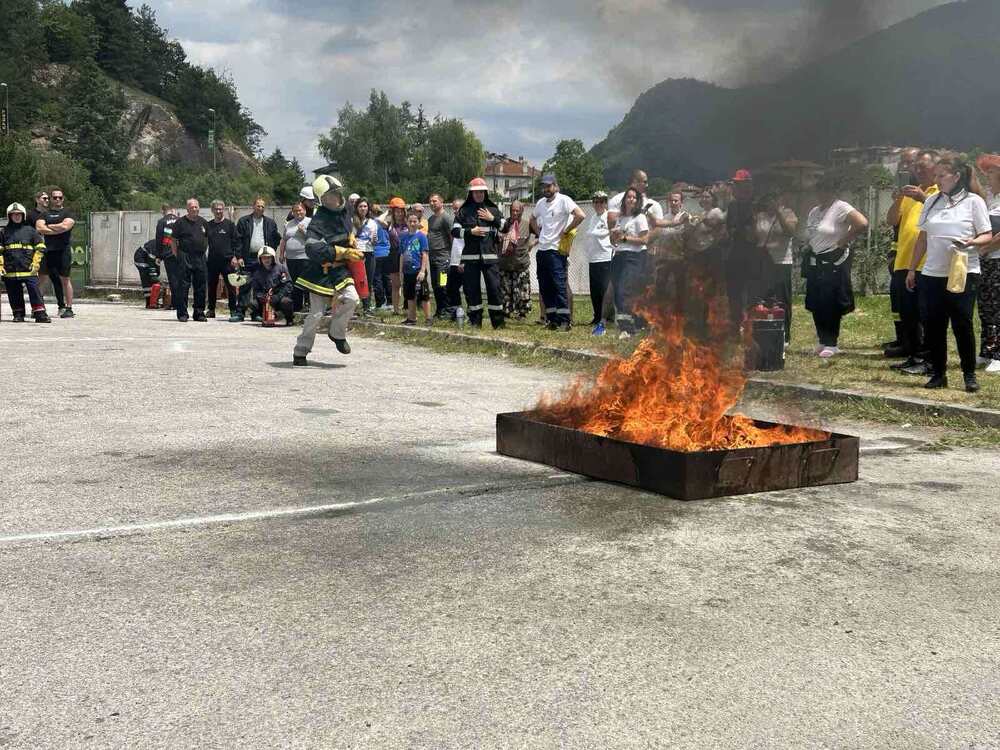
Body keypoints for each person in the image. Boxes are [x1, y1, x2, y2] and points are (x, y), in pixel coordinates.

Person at [907, 156, 992, 392]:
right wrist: (913, 269)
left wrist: (970, 242)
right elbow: (922, 238)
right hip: (932, 272)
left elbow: (986, 234)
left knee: (962, 323)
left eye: (941, 175)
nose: (937, 180)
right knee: (934, 325)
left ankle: (969, 375)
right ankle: (938, 374)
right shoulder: (932, 201)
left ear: (956, 176)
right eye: (936, 175)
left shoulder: (974, 201)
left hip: (963, 270)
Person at [292, 176, 362, 366]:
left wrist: (351, 238)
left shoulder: (345, 210)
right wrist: (342, 251)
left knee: (353, 299)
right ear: (323, 199)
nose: (335, 198)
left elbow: (348, 228)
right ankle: (301, 350)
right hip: (321, 271)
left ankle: (337, 333)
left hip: (340, 271)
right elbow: (312, 249)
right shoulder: (318, 221)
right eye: (330, 195)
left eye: (337, 193)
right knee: (316, 314)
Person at [886, 150, 939, 373]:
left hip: (926, 262)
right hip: (903, 262)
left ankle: (927, 359)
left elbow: (947, 216)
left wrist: (923, 198)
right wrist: (900, 196)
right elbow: (891, 220)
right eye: (915, 167)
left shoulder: (940, 193)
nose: (917, 170)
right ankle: (913, 354)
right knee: (908, 313)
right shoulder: (909, 194)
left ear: (936, 169)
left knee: (925, 315)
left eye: (923, 166)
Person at [804, 176, 869, 358]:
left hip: (833, 258)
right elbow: (812, 233)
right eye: (819, 190)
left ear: (833, 191)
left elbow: (862, 223)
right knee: (816, 301)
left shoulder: (841, 207)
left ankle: (832, 342)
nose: (821, 194)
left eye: (825, 190)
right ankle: (822, 340)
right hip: (815, 259)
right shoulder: (815, 211)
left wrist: (844, 240)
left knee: (830, 301)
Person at [531, 174, 585, 331]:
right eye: (544, 186)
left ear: (555, 186)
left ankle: (564, 321)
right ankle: (552, 319)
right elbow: (533, 219)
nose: (546, 189)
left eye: (549, 186)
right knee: (545, 285)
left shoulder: (564, 200)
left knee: (559, 285)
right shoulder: (541, 203)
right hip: (542, 250)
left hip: (556, 250)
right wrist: (539, 234)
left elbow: (580, 215)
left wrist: (567, 230)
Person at [454, 177, 505, 329]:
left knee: (495, 290)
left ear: (485, 193)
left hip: (490, 258)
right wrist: (471, 231)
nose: (478, 195)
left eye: (481, 192)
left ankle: (498, 324)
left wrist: (492, 218)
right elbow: (455, 231)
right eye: (475, 192)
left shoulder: (493, 209)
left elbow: (505, 227)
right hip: (470, 259)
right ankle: (475, 322)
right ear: (471, 193)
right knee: (472, 291)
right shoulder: (464, 211)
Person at [755, 192, 799, 344]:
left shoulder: (788, 213)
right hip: (763, 260)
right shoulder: (760, 216)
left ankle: (785, 334)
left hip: (781, 261)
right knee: (764, 297)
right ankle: (766, 330)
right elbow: (755, 236)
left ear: (781, 199)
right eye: (769, 198)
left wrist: (779, 213)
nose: (771, 201)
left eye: (775, 198)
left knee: (782, 299)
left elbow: (791, 232)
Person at [609, 188, 650, 338]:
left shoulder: (640, 217)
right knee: (617, 291)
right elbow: (615, 241)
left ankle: (628, 328)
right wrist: (613, 237)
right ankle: (624, 326)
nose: (631, 199)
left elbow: (645, 240)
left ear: (637, 200)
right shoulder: (620, 218)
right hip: (619, 255)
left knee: (624, 290)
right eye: (629, 197)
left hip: (634, 256)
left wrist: (625, 238)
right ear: (624, 200)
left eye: (634, 197)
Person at [1, 202, 51, 323]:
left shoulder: (31, 231)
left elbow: (40, 248)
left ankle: (40, 314)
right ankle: (18, 314)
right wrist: (1, 265)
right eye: (14, 214)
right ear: (9, 216)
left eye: (19, 214)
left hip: (29, 269)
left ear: (23, 215)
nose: (16, 216)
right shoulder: (3, 232)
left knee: (35, 291)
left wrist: (36, 263)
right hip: (10, 270)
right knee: (14, 293)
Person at [234, 197, 281, 321]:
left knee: (261, 287)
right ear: (253, 206)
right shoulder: (244, 221)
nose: (260, 208)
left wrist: (271, 252)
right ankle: (240, 313)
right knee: (245, 285)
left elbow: (277, 238)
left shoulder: (270, 223)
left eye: (262, 206)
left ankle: (257, 313)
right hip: (248, 257)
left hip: (263, 259)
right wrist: (238, 257)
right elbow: (237, 240)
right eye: (258, 206)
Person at [974, 153, 1000, 374]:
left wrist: (983, 248)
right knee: (986, 308)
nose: (988, 176)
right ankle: (987, 350)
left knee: (998, 308)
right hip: (987, 261)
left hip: (997, 260)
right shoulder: (991, 199)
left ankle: (998, 354)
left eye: (992, 171)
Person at [34, 186, 76, 317]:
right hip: (48, 251)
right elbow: (40, 228)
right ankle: (38, 308)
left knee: (65, 279)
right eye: (54, 197)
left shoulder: (68, 213)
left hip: (63, 250)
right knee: (42, 278)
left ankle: (69, 308)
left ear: (63, 199)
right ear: (51, 199)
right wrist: (58, 228)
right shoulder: (44, 214)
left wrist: (50, 226)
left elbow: (66, 226)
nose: (57, 199)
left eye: (60, 197)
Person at [169, 198, 210, 323]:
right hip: (185, 256)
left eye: (196, 207)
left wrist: (203, 250)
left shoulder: (203, 222)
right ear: (187, 209)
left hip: (200, 257)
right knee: (183, 286)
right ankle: (182, 313)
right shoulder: (180, 223)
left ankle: (199, 313)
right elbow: (173, 241)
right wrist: (177, 255)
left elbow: (206, 239)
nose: (194, 209)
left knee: (201, 286)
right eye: (192, 207)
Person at [585, 191, 614, 335]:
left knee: (605, 290)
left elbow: (603, 233)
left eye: (601, 202)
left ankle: (607, 317)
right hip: (593, 257)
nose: (598, 204)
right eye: (596, 202)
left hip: (605, 256)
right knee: (595, 290)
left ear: (605, 203)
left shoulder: (607, 217)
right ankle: (597, 316)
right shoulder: (593, 218)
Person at [498, 201, 533, 320]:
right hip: (505, 263)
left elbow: (541, 234)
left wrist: (532, 244)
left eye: (517, 210)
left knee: (522, 290)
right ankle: (506, 311)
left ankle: (522, 312)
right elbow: (495, 236)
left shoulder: (527, 224)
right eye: (513, 210)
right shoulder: (504, 224)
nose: (515, 213)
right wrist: (503, 237)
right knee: (505, 289)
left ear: (522, 211)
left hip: (521, 263)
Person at [205, 200, 238, 319]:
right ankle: (211, 310)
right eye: (216, 209)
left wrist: (235, 256)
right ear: (212, 210)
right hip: (212, 261)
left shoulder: (230, 225)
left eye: (220, 209)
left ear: (223, 210)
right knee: (212, 286)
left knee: (231, 287)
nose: (218, 211)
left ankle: (233, 310)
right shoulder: (208, 225)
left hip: (227, 261)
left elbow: (236, 242)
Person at [399, 210, 431, 326]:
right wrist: (401, 271)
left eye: (414, 221)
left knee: (424, 294)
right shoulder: (403, 237)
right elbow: (402, 255)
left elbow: (425, 254)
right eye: (410, 221)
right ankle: (411, 318)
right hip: (407, 271)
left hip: (418, 270)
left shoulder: (421, 236)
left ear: (418, 222)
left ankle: (428, 318)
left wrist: (423, 270)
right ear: (406, 222)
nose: (412, 223)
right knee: (409, 295)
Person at [279, 201, 312, 315]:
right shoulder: (289, 224)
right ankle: (297, 306)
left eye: (300, 210)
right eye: (295, 211)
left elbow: (314, 239)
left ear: (304, 211)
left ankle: (308, 304)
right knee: (295, 282)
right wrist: (281, 254)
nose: (298, 212)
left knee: (306, 281)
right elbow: (284, 240)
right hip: (291, 258)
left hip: (305, 257)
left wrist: (304, 232)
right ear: (292, 212)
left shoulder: (310, 222)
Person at [249, 246, 295, 325]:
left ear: (273, 258)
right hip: (265, 300)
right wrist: (262, 297)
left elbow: (288, 285)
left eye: (268, 258)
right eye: (264, 258)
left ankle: (289, 319)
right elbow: (256, 289)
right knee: (253, 304)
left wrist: (278, 296)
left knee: (286, 302)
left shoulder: (281, 269)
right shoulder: (257, 273)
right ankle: (263, 317)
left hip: (279, 298)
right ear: (260, 259)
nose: (266, 260)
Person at [426, 194, 454, 318]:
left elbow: (452, 237)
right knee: (435, 285)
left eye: (435, 201)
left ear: (441, 202)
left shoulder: (446, 218)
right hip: (433, 258)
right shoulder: (431, 219)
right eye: (430, 201)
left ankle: (447, 311)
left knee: (443, 284)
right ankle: (439, 310)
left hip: (443, 258)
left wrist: (453, 257)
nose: (432, 203)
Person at [352, 197, 379, 317]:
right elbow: (350, 238)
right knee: (356, 280)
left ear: (368, 208)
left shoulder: (373, 223)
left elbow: (374, 241)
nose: (363, 209)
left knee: (368, 280)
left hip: (369, 252)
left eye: (365, 206)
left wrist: (374, 240)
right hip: (356, 253)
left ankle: (367, 307)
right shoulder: (352, 221)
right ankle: (354, 307)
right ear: (356, 208)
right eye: (360, 206)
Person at [384, 197, 408, 315]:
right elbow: (378, 219)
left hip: (406, 255)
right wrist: (388, 211)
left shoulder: (408, 223)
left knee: (406, 283)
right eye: (396, 211)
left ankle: (407, 307)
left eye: (401, 211)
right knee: (395, 284)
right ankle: (395, 309)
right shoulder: (389, 224)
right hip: (393, 255)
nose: (399, 213)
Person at [155, 204, 179, 310]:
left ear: (163, 211)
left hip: (168, 254)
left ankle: (175, 303)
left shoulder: (162, 222)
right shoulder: (180, 220)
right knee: (181, 278)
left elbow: (159, 239)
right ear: (173, 210)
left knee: (173, 278)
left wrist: (158, 256)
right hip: (180, 253)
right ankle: (182, 302)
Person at [446, 198, 465, 315]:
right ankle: (456, 310)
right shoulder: (455, 223)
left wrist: (463, 262)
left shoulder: (468, 223)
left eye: (457, 208)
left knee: (468, 289)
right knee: (451, 287)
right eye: (453, 209)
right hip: (453, 261)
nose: (454, 211)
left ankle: (469, 313)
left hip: (463, 262)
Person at [133, 238, 164, 309]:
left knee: (151, 279)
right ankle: (149, 302)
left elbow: (157, 262)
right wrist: (154, 277)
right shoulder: (156, 246)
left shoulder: (161, 246)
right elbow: (152, 263)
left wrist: (156, 275)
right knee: (146, 279)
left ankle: (152, 302)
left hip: (146, 258)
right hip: (141, 258)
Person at [372, 217, 392, 311]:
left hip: (377, 253)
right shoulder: (385, 225)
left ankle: (380, 302)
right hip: (387, 252)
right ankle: (390, 301)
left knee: (377, 279)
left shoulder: (373, 223)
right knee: (387, 278)